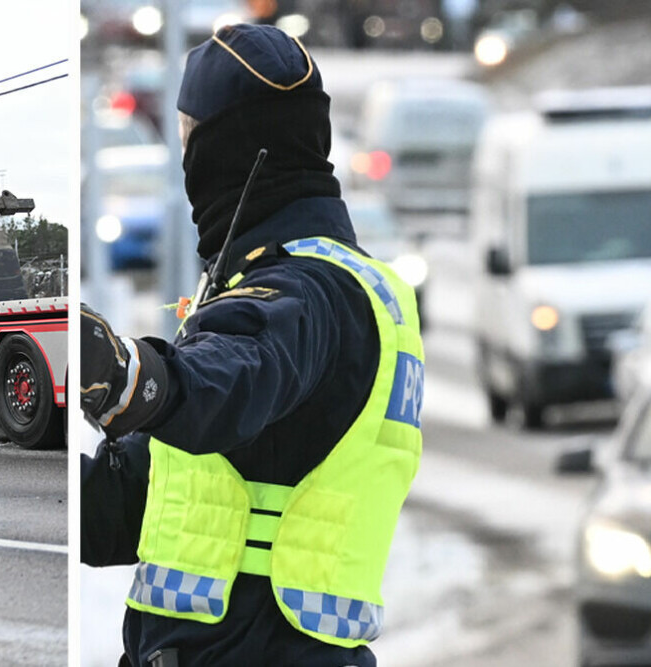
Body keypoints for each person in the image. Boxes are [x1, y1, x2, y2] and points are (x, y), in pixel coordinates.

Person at [80, 24, 424, 667]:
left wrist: (127, 375)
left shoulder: (308, 292)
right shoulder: (356, 289)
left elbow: (232, 379)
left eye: (188, 137)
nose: (184, 161)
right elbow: (156, 501)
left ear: (231, 150)